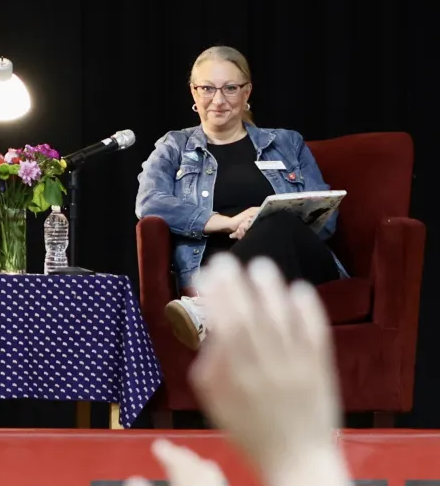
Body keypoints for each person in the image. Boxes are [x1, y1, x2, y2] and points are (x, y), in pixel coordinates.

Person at [134, 45, 345, 349]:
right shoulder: (174, 146)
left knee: (278, 222)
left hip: (299, 265)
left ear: (247, 92)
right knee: (270, 226)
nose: (218, 100)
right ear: (194, 92)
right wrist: (228, 222)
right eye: (207, 88)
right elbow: (149, 201)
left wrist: (260, 223)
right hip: (215, 268)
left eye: (230, 88)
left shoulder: (287, 143)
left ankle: (207, 308)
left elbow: (328, 222)